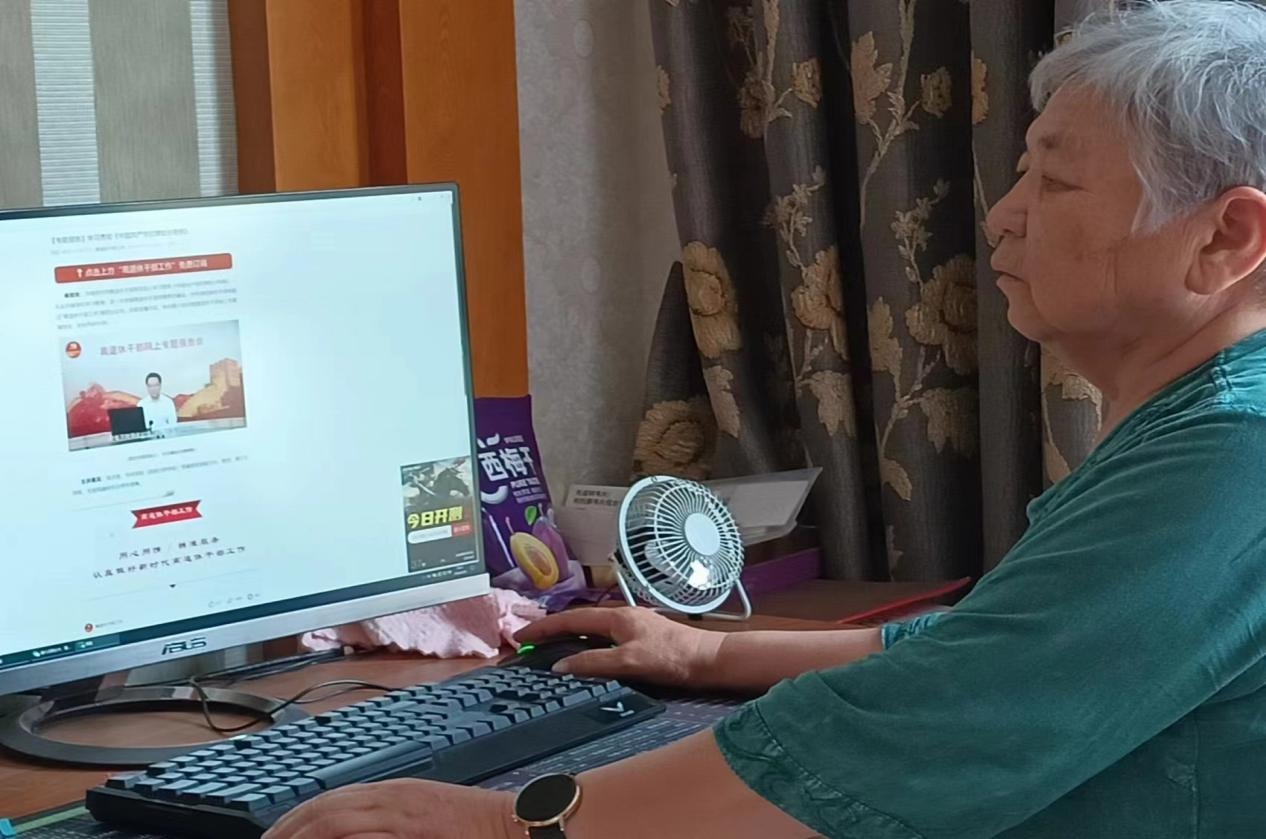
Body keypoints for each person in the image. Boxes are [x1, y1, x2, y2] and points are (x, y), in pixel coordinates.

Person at [263, 2, 1266, 837]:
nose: (1004, 213)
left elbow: (927, 725)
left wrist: (501, 823)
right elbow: (997, 645)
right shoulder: (1210, 422)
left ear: (1228, 236)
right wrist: (704, 653)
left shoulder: (1232, 452)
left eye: (1055, 179)